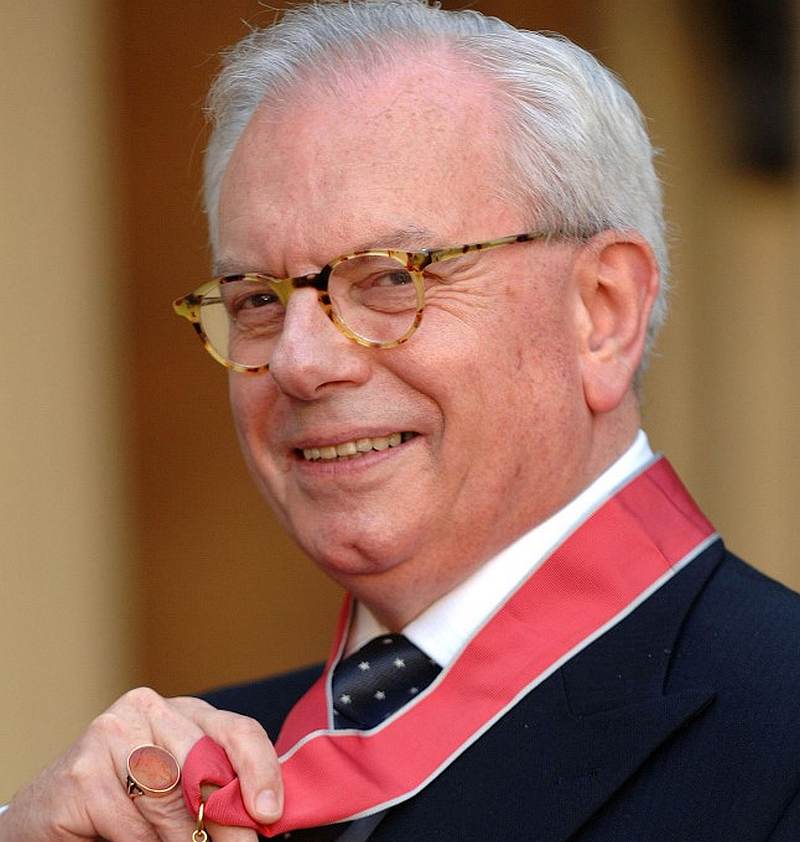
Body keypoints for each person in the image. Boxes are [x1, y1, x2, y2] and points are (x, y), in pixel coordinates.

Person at [2, 1, 799, 839]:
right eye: (259, 300)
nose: (301, 361)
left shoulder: (776, 734)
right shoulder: (182, 788)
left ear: (602, 311)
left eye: (388, 279)